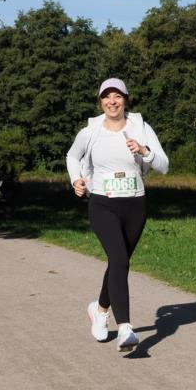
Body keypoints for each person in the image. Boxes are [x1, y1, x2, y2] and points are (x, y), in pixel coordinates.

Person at [66, 78, 169, 351]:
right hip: (102, 203)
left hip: (136, 205)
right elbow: (72, 157)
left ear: (125, 99)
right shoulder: (90, 131)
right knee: (120, 259)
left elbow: (164, 166)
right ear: (100, 101)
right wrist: (76, 179)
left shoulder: (142, 128)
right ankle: (125, 328)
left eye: (117, 96)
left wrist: (145, 152)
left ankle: (99, 311)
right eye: (106, 97)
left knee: (118, 264)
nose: (112, 101)